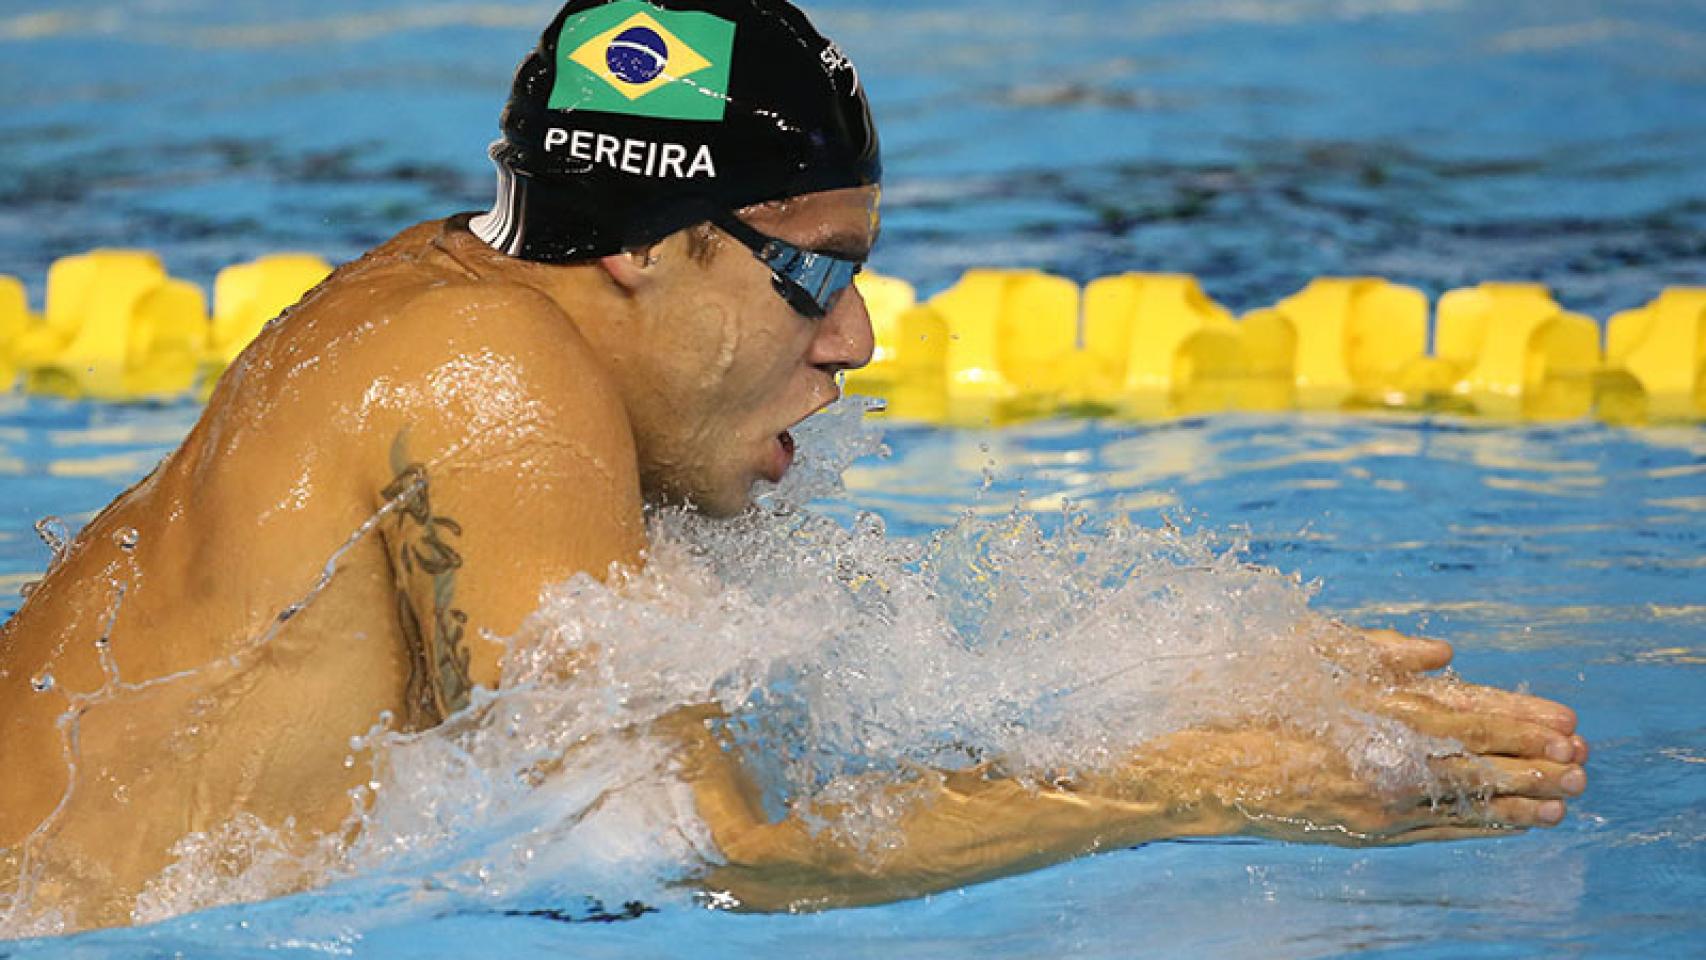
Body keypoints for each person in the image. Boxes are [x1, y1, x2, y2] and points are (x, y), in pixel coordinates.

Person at [0, 0, 1587, 932]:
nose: (857, 343)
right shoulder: (494, 376)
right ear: (649, 248)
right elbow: (688, 848)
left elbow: (775, 711)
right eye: (815, 273)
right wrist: (1196, 789)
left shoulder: (457, 311)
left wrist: (1176, 688)